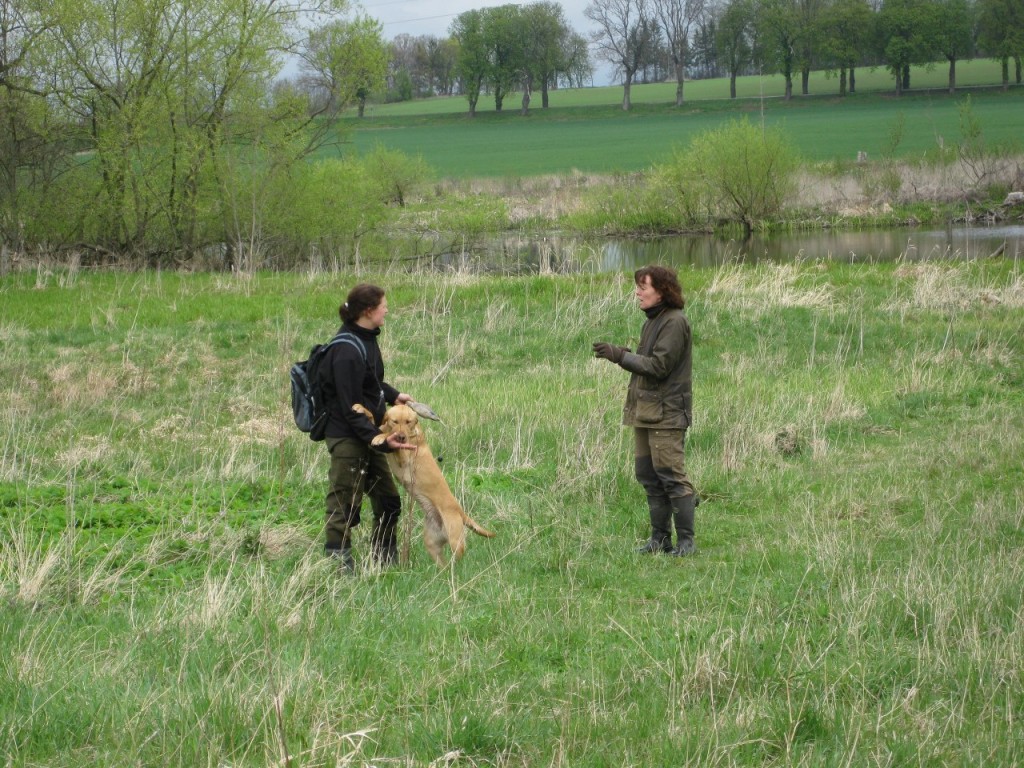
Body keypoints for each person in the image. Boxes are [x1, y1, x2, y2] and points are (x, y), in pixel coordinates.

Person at [593, 265, 698, 556]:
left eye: (643, 287)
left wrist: (620, 356)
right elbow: (648, 361)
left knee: (671, 476)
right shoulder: (653, 321)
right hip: (646, 411)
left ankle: (686, 542)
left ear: (662, 291)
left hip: (667, 414)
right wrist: (625, 354)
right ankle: (660, 539)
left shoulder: (675, 322)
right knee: (648, 475)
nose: (637, 293)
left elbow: (658, 367)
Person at [318, 283, 416, 571]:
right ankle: (338, 567)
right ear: (368, 311)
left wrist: (392, 394)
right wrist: (381, 441)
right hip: (348, 437)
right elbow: (350, 407)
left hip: (370, 434)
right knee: (344, 504)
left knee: (389, 500)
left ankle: (383, 561)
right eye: (383, 306)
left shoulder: (366, 339)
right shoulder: (345, 351)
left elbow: (369, 380)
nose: (387, 310)